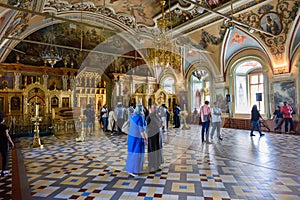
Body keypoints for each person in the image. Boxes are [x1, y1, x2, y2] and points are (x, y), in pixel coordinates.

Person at [126, 104, 147, 177]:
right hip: (138, 138)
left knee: (131, 153)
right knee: (137, 154)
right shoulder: (140, 118)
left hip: (131, 137)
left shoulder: (132, 116)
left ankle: (130, 169)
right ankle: (134, 170)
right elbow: (141, 130)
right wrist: (145, 139)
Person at [146, 103, 164, 172]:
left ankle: (157, 164)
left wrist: (161, 124)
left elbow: (159, 122)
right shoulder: (149, 117)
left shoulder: (157, 115)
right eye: (154, 108)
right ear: (151, 108)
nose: (155, 109)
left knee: (157, 150)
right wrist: (156, 126)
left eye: (156, 108)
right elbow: (147, 127)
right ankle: (152, 164)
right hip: (152, 137)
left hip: (158, 136)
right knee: (153, 150)